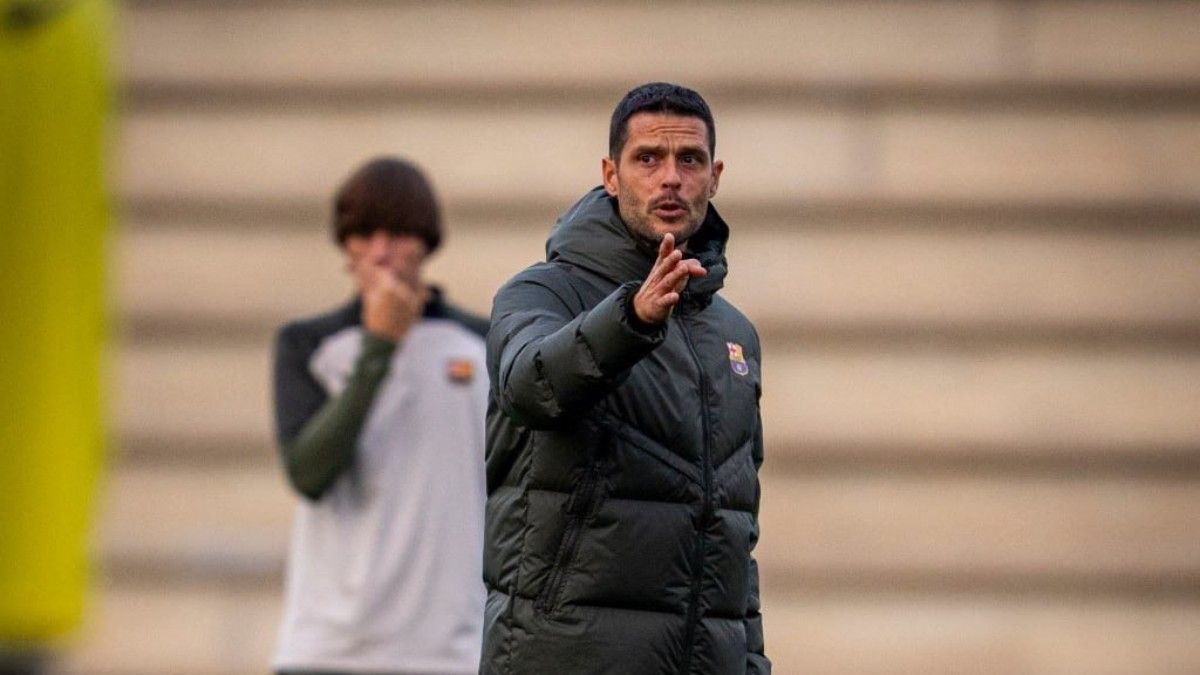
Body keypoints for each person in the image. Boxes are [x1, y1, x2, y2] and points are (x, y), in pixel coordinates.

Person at [482, 83, 770, 674]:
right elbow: (531, 386)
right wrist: (632, 319)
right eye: (648, 159)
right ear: (611, 175)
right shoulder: (541, 292)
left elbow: (737, 527)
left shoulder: (733, 333)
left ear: (714, 177)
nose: (670, 178)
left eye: (689, 160)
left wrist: (751, 662)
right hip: (563, 656)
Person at [271, 157, 488, 675]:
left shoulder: (483, 344)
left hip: (451, 650)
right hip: (329, 648)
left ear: (427, 242)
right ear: (345, 247)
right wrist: (379, 347)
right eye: (364, 235)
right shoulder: (309, 345)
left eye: (397, 234)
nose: (381, 253)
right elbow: (309, 473)